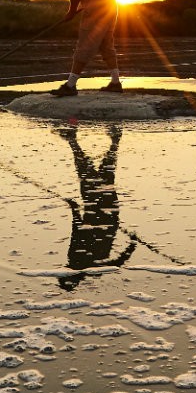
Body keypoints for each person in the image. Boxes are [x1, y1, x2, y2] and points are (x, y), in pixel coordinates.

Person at [54, 124, 138, 291]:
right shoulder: (78, 260)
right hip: (95, 209)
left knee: (107, 174)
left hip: (109, 215)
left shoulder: (93, 270)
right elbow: (77, 231)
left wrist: (131, 246)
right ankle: (74, 139)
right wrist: (74, 209)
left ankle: (114, 140)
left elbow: (117, 263)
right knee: (88, 173)